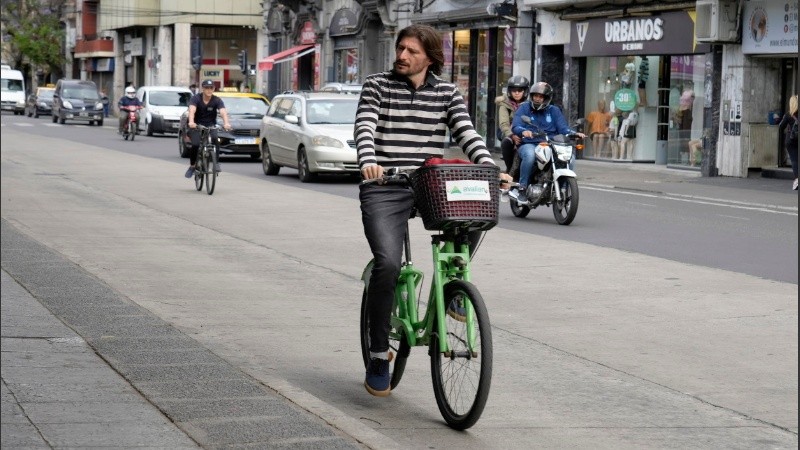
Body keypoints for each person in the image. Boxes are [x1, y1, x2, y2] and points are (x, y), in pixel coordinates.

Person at [355, 24, 511, 397]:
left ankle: (454, 294)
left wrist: (490, 167)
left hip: (428, 184)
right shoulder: (377, 85)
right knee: (388, 264)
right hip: (384, 185)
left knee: (476, 206)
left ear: (430, 57)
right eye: (401, 49)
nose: (403, 56)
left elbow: (466, 133)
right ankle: (379, 353)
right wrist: (368, 161)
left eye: (412, 51)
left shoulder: (446, 91)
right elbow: (364, 126)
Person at [509, 81, 585, 203]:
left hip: (551, 144)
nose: (537, 99)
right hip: (530, 143)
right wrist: (523, 131)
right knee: (530, 155)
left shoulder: (554, 111)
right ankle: (522, 188)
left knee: (570, 158)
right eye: (535, 96)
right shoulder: (524, 108)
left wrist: (574, 133)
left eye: (541, 96)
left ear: (546, 98)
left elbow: (563, 128)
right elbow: (516, 125)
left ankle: (564, 187)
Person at [184, 79, 232, 178]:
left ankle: (217, 163)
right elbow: (192, 110)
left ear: (214, 89)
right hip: (196, 126)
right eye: (207, 88)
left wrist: (226, 123)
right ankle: (192, 166)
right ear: (203, 89)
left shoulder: (217, 100)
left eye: (211, 88)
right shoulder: (196, 98)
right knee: (196, 145)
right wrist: (191, 122)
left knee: (215, 139)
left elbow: (223, 112)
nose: (209, 90)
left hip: (210, 125)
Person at [496, 75, 529, 173]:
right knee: (507, 142)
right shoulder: (504, 105)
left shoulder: (529, 105)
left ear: (525, 91)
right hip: (509, 131)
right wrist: (512, 135)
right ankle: (510, 170)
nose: (517, 93)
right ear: (509, 91)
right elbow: (504, 123)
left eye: (520, 90)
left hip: (525, 131)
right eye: (514, 90)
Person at [778, 95, 798, 190]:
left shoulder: (788, 115)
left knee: (794, 160)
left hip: (791, 141)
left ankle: (797, 179)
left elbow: (781, 126)